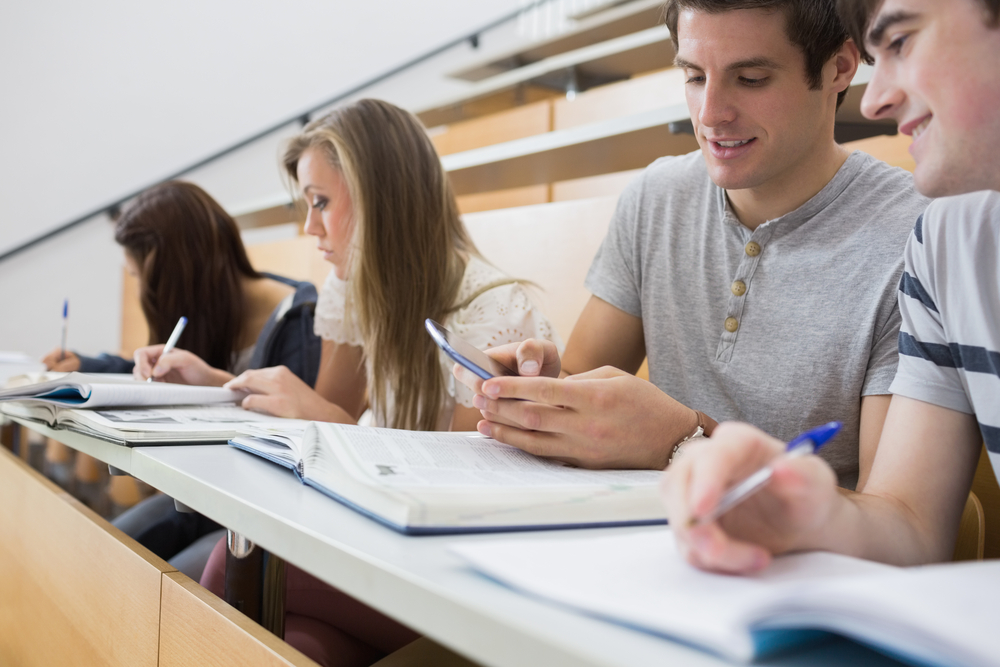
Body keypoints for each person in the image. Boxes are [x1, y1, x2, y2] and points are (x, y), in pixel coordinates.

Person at [455, 0, 927, 492]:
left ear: (840, 68)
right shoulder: (657, 198)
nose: (710, 115)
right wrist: (550, 394)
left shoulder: (910, 235)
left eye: (751, 79)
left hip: (798, 560)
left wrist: (683, 441)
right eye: (695, 76)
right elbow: (580, 373)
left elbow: (888, 515)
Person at [197, 98, 559, 667]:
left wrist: (322, 417)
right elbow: (324, 423)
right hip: (385, 538)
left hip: (462, 563)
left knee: (233, 562)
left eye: (320, 202)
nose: (309, 228)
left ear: (381, 199)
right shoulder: (353, 283)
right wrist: (219, 384)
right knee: (300, 647)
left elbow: (458, 497)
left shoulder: (493, 310)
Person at [662, 0, 1000, 573]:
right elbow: (912, 526)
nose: (873, 100)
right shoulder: (947, 238)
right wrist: (805, 509)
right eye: (694, 76)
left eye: (901, 43)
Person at [79, 180, 322, 579]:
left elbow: (286, 447)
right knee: (101, 553)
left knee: (141, 580)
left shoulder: (298, 320)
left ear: (179, 271)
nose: (143, 291)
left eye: (143, 279)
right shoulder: (208, 310)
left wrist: (213, 385)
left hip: (252, 516)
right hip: (201, 498)